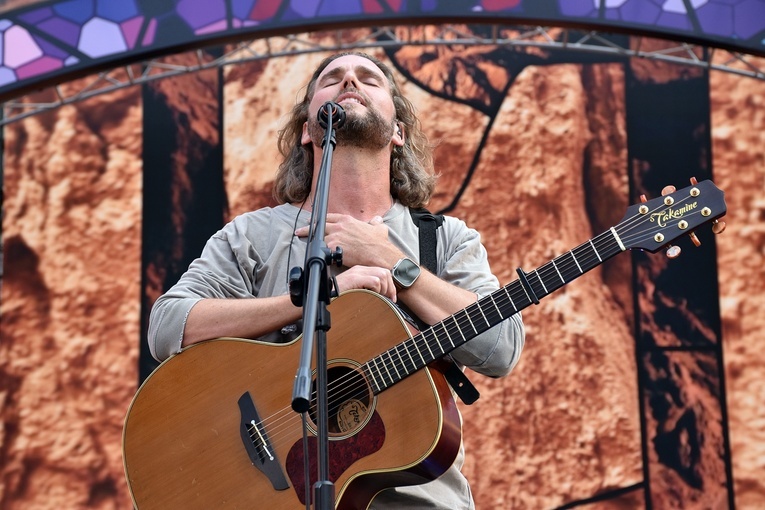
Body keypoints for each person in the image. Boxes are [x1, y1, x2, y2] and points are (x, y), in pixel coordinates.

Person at [147, 51, 525, 509]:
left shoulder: (446, 240)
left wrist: (394, 264)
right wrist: (313, 301)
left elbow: (501, 349)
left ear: (398, 133)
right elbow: (168, 325)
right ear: (308, 130)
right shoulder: (252, 235)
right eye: (331, 80)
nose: (349, 80)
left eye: (369, 78)